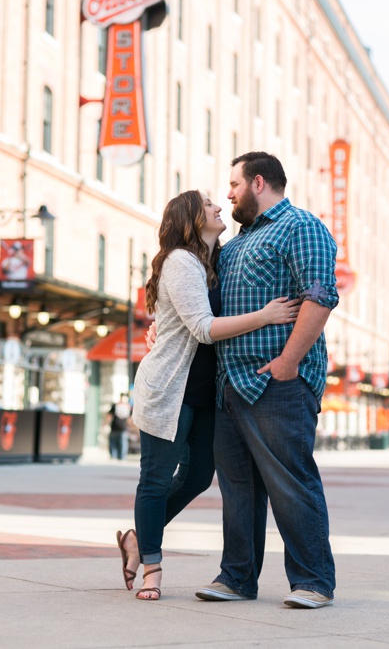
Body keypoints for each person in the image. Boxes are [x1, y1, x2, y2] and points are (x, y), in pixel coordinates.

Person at [117, 190, 301, 601]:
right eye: (209, 204)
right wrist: (265, 316)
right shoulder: (181, 260)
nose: (220, 207)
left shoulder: (214, 262)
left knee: (199, 476)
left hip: (204, 392)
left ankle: (136, 537)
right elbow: (202, 327)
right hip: (170, 390)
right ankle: (152, 569)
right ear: (191, 218)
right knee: (156, 478)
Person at [193, 151, 339, 609]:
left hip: (277, 383)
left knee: (291, 483)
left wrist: (288, 363)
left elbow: (320, 296)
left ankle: (314, 582)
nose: (228, 194)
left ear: (258, 183)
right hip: (228, 386)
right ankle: (236, 578)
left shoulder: (301, 226)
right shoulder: (232, 245)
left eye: (233, 184)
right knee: (239, 491)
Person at [107, 393, 131, 460]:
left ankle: (122, 457)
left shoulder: (128, 407)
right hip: (114, 427)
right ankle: (113, 456)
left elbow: (130, 418)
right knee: (113, 443)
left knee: (123, 443)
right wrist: (106, 424)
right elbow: (109, 415)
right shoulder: (115, 405)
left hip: (124, 428)